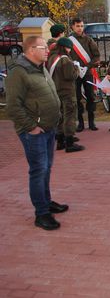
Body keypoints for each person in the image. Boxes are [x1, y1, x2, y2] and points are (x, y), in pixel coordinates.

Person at [6, 36, 68, 230]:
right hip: (34, 132)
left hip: (49, 128)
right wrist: (31, 127)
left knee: (46, 168)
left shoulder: (40, 67)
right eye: (43, 48)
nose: (47, 51)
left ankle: (46, 201)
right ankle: (41, 214)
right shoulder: (19, 72)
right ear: (31, 49)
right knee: (38, 170)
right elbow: (13, 107)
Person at [47, 37, 84, 153]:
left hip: (56, 90)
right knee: (70, 115)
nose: (69, 50)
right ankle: (69, 142)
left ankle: (60, 141)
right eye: (69, 48)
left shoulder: (52, 58)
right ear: (64, 47)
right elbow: (70, 76)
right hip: (67, 91)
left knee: (61, 115)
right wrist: (77, 69)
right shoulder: (65, 60)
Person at [68, 18, 101, 132]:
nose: (80, 28)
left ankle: (91, 122)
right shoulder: (69, 41)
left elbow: (96, 56)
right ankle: (80, 122)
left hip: (87, 72)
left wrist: (88, 66)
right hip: (75, 74)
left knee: (90, 97)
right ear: (72, 27)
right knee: (77, 98)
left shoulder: (88, 40)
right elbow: (65, 56)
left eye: (81, 26)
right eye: (77, 26)